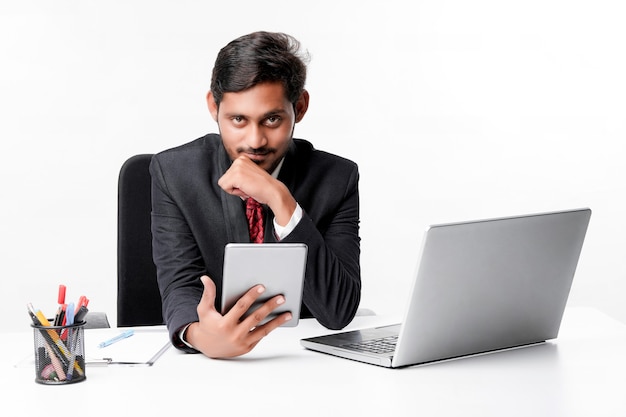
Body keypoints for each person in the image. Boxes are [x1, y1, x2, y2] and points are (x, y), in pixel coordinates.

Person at [150, 31, 361, 359]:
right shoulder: (174, 172)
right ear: (213, 107)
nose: (256, 140)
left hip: (302, 361)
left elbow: (338, 312)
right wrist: (199, 336)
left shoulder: (338, 179)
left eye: (272, 119)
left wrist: (282, 201)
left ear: (300, 107)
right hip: (210, 366)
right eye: (238, 120)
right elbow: (179, 283)